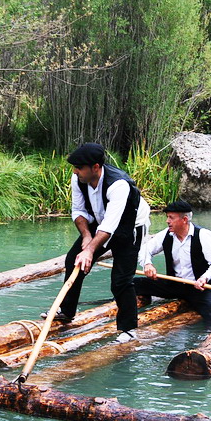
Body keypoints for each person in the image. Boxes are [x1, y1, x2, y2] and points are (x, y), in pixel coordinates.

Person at [55, 142, 151, 343]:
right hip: (101, 222)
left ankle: (128, 329)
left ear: (96, 167)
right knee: (74, 259)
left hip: (129, 227)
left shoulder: (118, 185)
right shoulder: (78, 178)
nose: (75, 171)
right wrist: (86, 238)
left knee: (121, 280)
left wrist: (90, 250)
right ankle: (67, 312)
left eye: (79, 167)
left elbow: (110, 226)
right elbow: (78, 211)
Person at [134, 200, 211, 328]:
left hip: (201, 287)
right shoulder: (166, 234)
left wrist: (205, 277)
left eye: (171, 218)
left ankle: (210, 339)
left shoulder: (203, 235)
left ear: (184, 219)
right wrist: (147, 264)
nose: (167, 221)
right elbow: (145, 249)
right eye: (167, 217)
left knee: (209, 312)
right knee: (134, 284)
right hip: (175, 284)